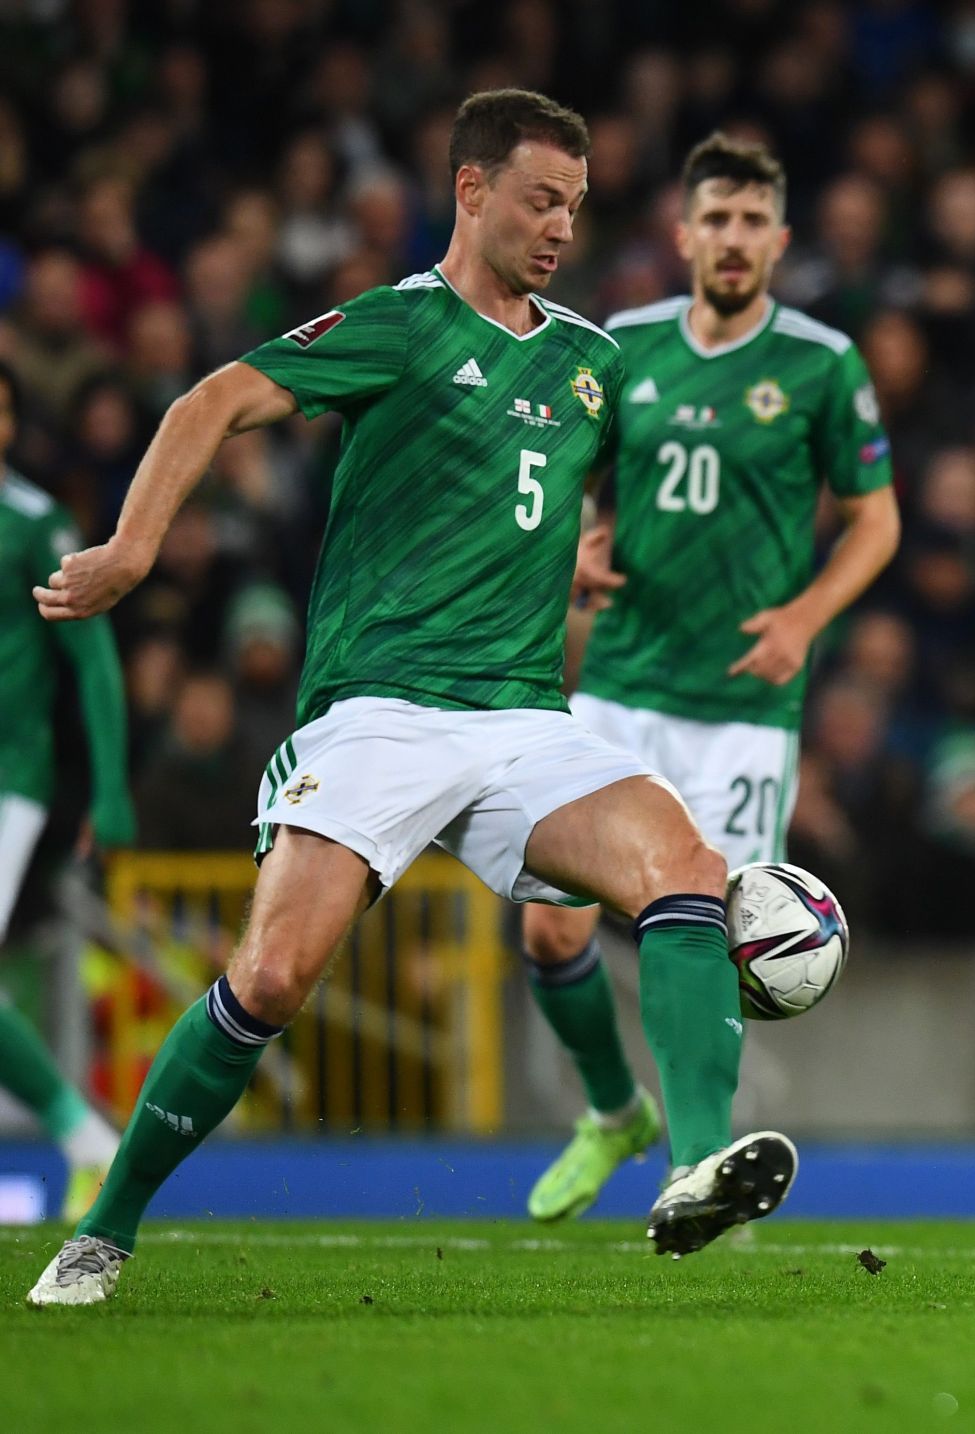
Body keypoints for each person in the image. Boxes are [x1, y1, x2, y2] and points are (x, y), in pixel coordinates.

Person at [28, 90, 795, 1308]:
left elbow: (602, 506)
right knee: (273, 979)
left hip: (525, 720)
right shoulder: (399, 325)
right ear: (472, 190)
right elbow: (211, 401)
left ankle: (694, 1161)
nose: (559, 227)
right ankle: (104, 1230)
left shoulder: (594, 364)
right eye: (540, 199)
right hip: (377, 710)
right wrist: (130, 550)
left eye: (576, 208)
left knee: (688, 869)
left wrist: (607, 552)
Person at [519, 132, 898, 1222]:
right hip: (620, 685)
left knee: (716, 934)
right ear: (683, 235)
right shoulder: (624, 346)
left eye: (752, 223)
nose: (732, 240)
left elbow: (877, 520)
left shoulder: (820, 363)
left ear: (779, 241)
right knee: (550, 929)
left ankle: (702, 1160)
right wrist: (582, 541)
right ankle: (610, 1112)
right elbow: (571, 472)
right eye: (715, 220)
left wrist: (807, 617)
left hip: (740, 706)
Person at [0, 358, 133, 1222]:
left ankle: (89, 1141)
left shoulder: (35, 524)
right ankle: (85, 1139)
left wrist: (111, 789)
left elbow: (93, 661)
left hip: (10, 776)